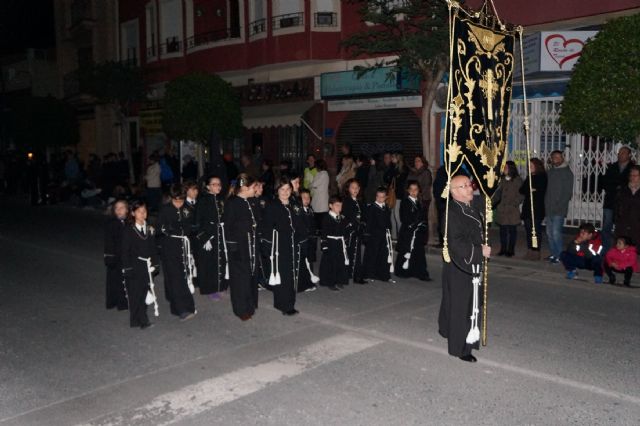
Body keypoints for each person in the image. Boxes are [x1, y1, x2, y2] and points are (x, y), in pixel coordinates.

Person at [438, 175, 491, 363]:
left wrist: (492, 178)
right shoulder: (451, 213)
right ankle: (460, 348)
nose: (470, 188)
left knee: (466, 304)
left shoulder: (471, 206)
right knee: (461, 308)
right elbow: (456, 243)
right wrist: (479, 251)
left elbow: (491, 196)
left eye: (470, 184)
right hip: (461, 265)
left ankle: (447, 329)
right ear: (454, 191)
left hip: (472, 265)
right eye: (465, 185)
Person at [259, 178, 300, 315]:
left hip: (292, 244)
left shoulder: (293, 204)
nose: (285, 192)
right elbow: (266, 227)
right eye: (282, 189)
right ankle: (285, 305)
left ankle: (289, 301)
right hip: (279, 246)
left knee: (292, 273)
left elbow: (299, 221)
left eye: (288, 189)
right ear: (277, 191)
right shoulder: (272, 206)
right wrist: (267, 247)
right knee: (283, 275)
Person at [223, 174, 260, 321]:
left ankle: (250, 304)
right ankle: (241, 309)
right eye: (253, 187)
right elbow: (228, 227)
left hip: (251, 244)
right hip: (239, 247)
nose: (255, 189)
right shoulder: (232, 203)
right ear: (244, 188)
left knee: (250, 275)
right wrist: (233, 247)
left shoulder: (250, 201)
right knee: (240, 279)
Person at [157, 184, 197, 320]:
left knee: (184, 276)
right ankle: (181, 309)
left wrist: (188, 230)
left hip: (184, 246)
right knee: (175, 278)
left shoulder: (187, 209)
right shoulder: (165, 210)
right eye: (176, 201)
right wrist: (171, 230)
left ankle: (187, 305)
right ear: (171, 198)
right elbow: (160, 229)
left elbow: (191, 225)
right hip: (170, 247)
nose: (179, 204)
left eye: (181, 200)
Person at [121, 200, 158, 329]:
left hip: (147, 266)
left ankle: (141, 319)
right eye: (139, 212)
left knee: (145, 292)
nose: (143, 214)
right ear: (133, 213)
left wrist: (155, 263)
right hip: (134, 265)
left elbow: (153, 247)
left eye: (145, 211)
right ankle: (139, 320)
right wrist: (127, 268)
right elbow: (125, 251)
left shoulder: (149, 228)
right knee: (136, 293)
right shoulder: (128, 230)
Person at [194, 175, 227, 299]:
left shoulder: (221, 200)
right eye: (214, 184)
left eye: (219, 184)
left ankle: (220, 286)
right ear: (208, 186)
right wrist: (204, 238)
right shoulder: (203, 201)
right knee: (209, 263)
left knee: (221, 260)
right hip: (208, 236)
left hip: (220, 234)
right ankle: (210, 289)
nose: (218, 186)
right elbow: (197, 222)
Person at [394, 181, 431, 281]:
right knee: (406, 251)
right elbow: (404, 217)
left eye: (416, 189)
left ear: (419, 191)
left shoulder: (419, 203)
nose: (413, 192)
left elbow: (423, 216)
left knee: (419, 252)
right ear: (408, 191)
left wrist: (422, 225)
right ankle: (402, 271)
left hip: (418, 232)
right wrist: (413, 224)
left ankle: (420, 272)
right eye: (411, 189)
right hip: (408, 231)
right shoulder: (405, 202)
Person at [600, 146, 634, 253]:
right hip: (610, 201)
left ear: (629, 155)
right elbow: (605, 182)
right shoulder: (612, 167)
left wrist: (621, 186)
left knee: (623, 227)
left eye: (623, 153)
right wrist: (617, 186)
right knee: (606, 227)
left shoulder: (633, 168)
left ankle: (623, 250)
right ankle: (607, 250)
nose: (620, 154)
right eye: (619, 152)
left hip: (625, 203)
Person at [545, 150, 574, 263]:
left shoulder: (567, 173)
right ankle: (554, 253)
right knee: (549, 233)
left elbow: (567, 193)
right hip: (549, 207)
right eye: (554, 157)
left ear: (562, 158)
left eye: (558, 157)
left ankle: (560, 254)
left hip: (559, 208)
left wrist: (560, 205)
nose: (556, 159)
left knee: (556, 232)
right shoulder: (550, 172)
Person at [319, 195, 351, 291]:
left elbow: (344, 230)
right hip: (331, 243)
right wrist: (324, 245)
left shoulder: (341, 218)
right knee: (330, 263)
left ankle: (339, 280)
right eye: (337, 205)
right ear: (330, 206)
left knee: (340, 262)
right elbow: (324, 233)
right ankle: (330, 281)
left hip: (339, 243)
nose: (339, 208)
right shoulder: (327, 218)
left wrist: (345, 240)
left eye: (341, 206)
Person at [363, 187, 395, 283]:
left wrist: (389, 229)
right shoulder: (372, 208)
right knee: (372, 255)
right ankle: (369, 273)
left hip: (383, 236)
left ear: (386, 197)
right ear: (376, 196)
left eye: (382, 197)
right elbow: (369, 223)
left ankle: (383, 274)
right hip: (374, 236)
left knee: (383, 255)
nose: (380, 199)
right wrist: (367, 235)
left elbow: (388, 221)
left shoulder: (386, 208)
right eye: (378, 196)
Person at [493, 161, 523, 257]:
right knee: (503, 231)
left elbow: (521, 194)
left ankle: (510, 250)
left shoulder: (517, 180)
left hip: (512, 209)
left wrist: (515, 203)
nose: (504, 169)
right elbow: (497, 193)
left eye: (506, 167)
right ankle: (503, 249)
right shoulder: (501, 179)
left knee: (512, 230)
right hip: (502, 208)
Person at [104, 199, 129, 311]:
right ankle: (118, 302)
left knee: (125, 279)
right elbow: (108, 242)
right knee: (115, 280)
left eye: (122, 208)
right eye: (116, 208)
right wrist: (109, 256)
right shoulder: (112, 223)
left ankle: (125, 300)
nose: (119, 210)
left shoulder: (129, 223)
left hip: (126, 256)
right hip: (116, 256)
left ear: (127, 210)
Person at [520, 158, 547, 260]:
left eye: (531, 166)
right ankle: (530, 249)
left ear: (537, 166)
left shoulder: (542, 177)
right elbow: (522, 190)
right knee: (528, 230)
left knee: (535, 230)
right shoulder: (529, 177)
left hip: (537, 207)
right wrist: (530, 190)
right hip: (527, 207)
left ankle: (536, 250)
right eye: (528, 166)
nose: (529, 168)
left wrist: (532, 190)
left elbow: (540, 191)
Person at [342, 179, 367, 284]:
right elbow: (346, 216)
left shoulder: (359, 201)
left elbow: (363, 215)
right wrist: (351, 226)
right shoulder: (347, 201)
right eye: (352, 187)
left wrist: (363, 223)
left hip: (358, 231)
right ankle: (345, 275)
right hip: (350, 231)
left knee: (357, 253)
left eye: (357, 187)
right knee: (348, 252)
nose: (355, 189)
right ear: (348, 189)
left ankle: (357, 275)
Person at [296, 188, 318, 292]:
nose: (306, 199)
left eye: (308, 198)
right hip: (303, 240)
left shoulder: (310, 210)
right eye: (304, 197)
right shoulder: (298, 211)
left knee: (310, 260)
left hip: (310, 240)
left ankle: (310, 280)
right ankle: (302, 283)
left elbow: (313, 224)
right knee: (303, 262)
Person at [614, 165, 640, 250]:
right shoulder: (623, 190)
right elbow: (617, 206)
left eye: (635, 175)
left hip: (637, 225)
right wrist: (617, 219)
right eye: (631, 175)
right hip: (623, 225)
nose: (632, 178)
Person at [408, 155, 433, 244]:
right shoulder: (412, 172)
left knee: (422, 219)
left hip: (423, 199)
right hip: (412, 198)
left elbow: (426, 186)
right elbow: (408, 184)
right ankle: (414, 237)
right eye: (415, 161)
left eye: (418, 161)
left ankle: (423, 239)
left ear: (423, 162)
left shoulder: (426, 172)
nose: (416, 163)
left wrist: (417, 195)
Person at [310, 159, 330, 229]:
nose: (315, 168)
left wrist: (313, 186)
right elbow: (313, 184)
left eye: (316, 166)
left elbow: (314, 184)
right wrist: (313, 186)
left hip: (321, 198)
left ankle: (321, 231)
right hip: (317, 197)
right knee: (316, 214)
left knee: (321, 215)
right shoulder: (319, 173)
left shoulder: (324, 174)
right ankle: (318, 230)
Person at [432, 165, 448, 248]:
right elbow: (436, 185)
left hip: (449, 202)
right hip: (440, 201)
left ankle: (447, 242)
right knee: (441, 222)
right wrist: (437, 196)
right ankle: (442, 241)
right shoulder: (441, 170)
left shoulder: (455, 169)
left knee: (447, 223)